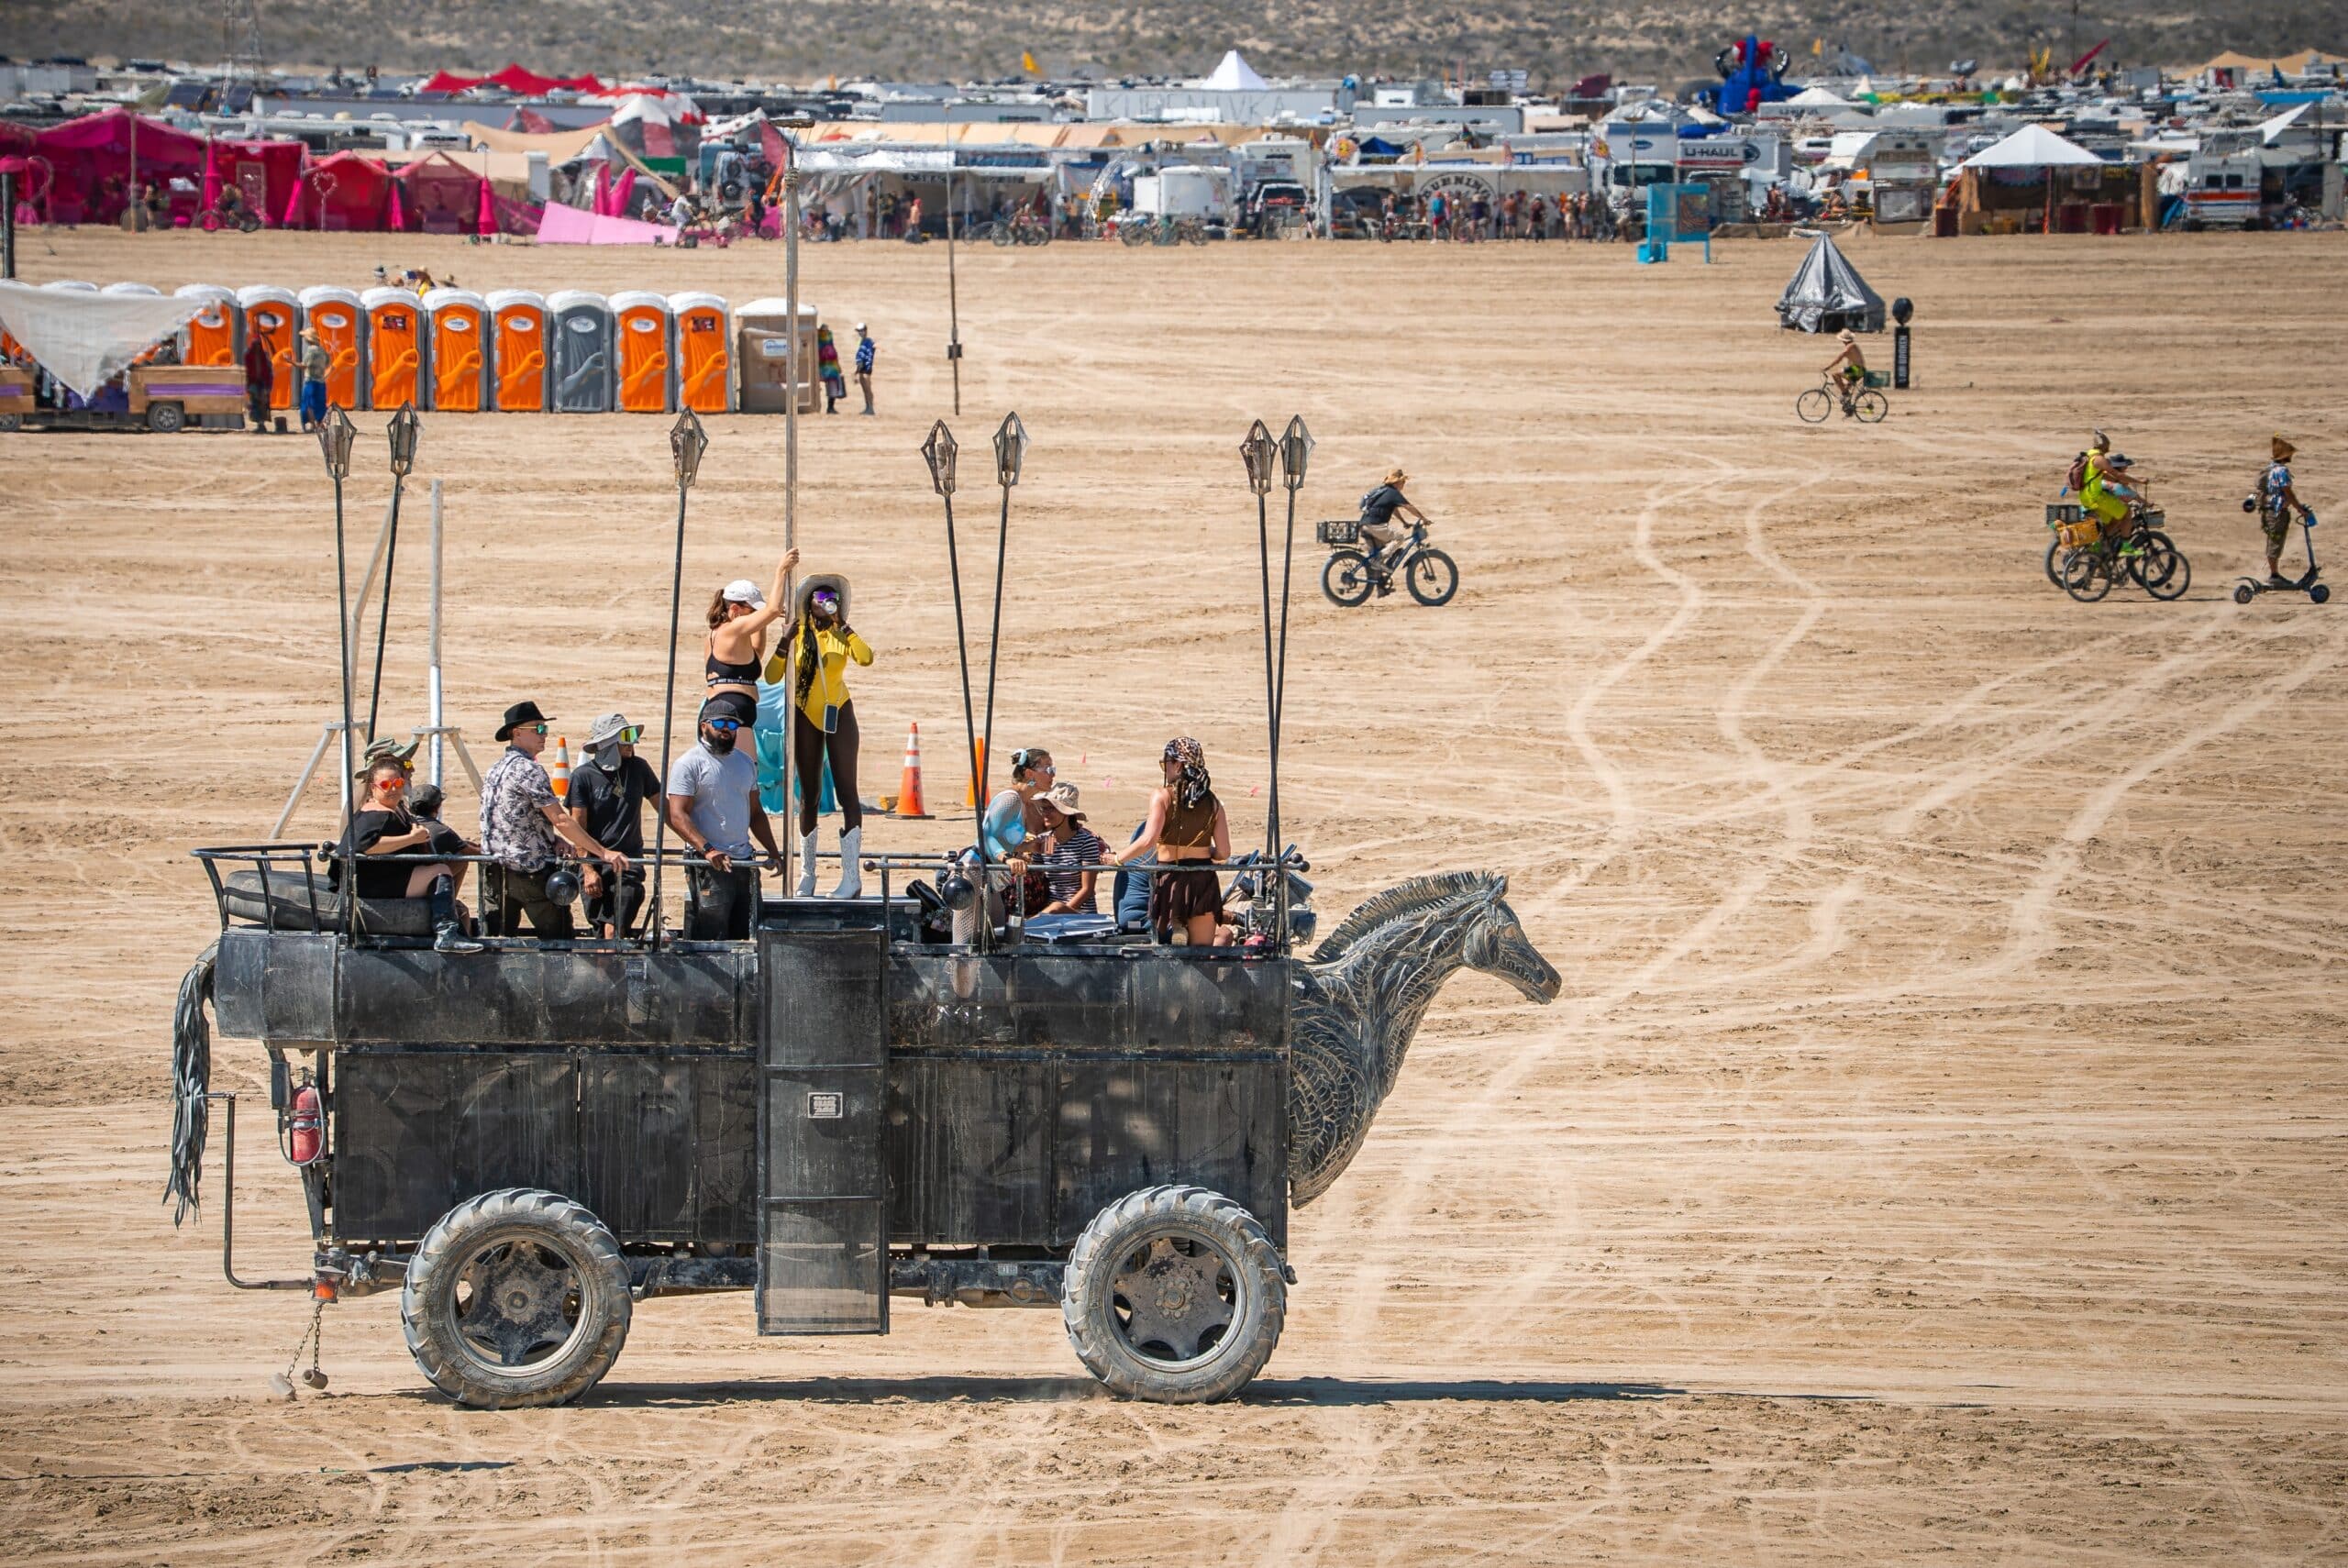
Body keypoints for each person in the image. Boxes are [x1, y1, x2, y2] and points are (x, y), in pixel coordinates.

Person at [479, 701, 627, 938]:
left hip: (494, 870)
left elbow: (515, 819)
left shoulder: (495, 769)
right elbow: (561, 819)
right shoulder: (528, 769)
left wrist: (551, 839)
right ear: (517, 733)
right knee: (559, 941)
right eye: (538, 729)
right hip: (528, 871)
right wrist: (603, 853)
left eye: (544, 729)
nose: (544, 735)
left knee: (497, 942)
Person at [779, 575, 874, 898]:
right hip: (806, 713)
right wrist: (783, 643)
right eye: (820, 597)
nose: (826, 601)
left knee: (848, 791)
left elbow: (865, 657)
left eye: (831, 597)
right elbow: (773, 674)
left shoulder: (839, 634)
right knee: (809, 794)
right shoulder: (799, 634)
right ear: (810, 603)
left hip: (838, 710)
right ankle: (808, 873)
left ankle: (851, 877)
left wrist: (844, 627)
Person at [665, 705, 785, 939]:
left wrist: (773, 851)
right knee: (712, 934)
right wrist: (707, 850)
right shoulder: (689, 763)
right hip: (709, 863)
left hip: (743, 860)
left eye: (732, 725)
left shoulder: (745, 762)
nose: (726, 730)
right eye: (720, 724)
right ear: (704, 726)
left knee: (748, 932)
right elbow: (678, 815)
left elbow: (756, 812)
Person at [339, 757, 481, 952]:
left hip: (388, 875)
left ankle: (455, 927)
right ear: (373, 787)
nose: (393, 789)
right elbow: (362, 846)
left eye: (397, 783)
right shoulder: (374, 814)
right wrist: (411, 839)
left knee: (440, 867)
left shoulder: (394, 808)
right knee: (440, 871)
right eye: (385, 785)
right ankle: (446, 933)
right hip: (371, 884)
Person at [1106, 737, 1232, 947]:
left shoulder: (1163, 796)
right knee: (1201, 952)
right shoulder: (1213, 803)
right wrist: (1205, 850)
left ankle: (1178, 925)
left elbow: (1148, 840)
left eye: (1166, 764)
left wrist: (1117, 859)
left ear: (1178, 764)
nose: (1165, 770)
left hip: (1171, 877)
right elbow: (1224, 852)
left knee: (1168, 951)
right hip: (1202, 879)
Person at [568, 712, 660, 938]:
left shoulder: (639, 768)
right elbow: (577, 828)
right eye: (625, 736)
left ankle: (608, 969)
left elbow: (665, 808)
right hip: (594, 862)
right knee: (601, 932)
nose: (632, 743)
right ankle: (604, 972)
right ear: (608, 742)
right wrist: (588, 870)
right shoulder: (583, 776)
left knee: (615, 929)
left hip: (628, 862)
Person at [703, 549, 799, 728]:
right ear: (734, 609)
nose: (755, 616)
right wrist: (781, 571)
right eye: (752, 611)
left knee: (746, 758)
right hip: (728, 712)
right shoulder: (732, 629)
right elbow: (773, 610)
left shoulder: (727, 634)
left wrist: (760, 621)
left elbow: (756, 652)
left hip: (733, 712)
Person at [1034, 783, 1107, 915]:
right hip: (1048, 913)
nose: (1045, 813)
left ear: (1066, 813)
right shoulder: (1045, 840)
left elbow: (1087, 889)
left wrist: (1060, 912)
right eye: (1044, 809)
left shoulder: (1086, 841)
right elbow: (1038, 879)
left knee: (1056, 906)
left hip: (1079, 913)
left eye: (1051, 809)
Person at [1357, 468, 1430, 592]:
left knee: (1379, 553)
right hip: (1374, 526)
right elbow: (1408, 506)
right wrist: (1423, 518)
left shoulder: (1383, 491)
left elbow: (1394, 509)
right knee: (1399, 538)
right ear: (1397, 482)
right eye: (1403, 482)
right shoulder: (1393, 493)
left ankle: (1381, 588)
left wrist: (1404, 522)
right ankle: (1379, 559)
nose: (1404, 484)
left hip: (1364, 525)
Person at [2258, 436, 2314, 585]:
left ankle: (2274, 573)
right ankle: (2274, 575)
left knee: (2274, 541)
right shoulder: (2281, 471)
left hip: (2271, 510)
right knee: (2276, 542)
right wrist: (2300, 508)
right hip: (2277, 511)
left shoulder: (2271, 469)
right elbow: (2287, 492)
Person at [297, 329, 331, 431]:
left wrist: (291, 362)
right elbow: (328, 363)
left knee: (308, 403)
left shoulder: (310, 351)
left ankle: (312, 425)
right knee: (320, 403)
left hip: (310, 381)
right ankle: (320, 424)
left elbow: (304, 365)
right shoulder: (322, 350)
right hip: (321, 381)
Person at [242, 327, 274, 434]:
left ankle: (261, 424)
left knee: (263, 404)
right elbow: (247, 370)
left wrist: (268, 386)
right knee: (255, 403)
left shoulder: (263, 357)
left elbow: (268, 372)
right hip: (254, 382)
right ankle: (259, 423)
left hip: (263, 383)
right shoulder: (249, 356)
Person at [1822, 329, 1867, 402]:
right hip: (1858, 369)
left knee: (1835, 374)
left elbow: (1838, 359)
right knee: (1845, 383)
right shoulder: (1853, 345)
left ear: (1844, 340)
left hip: (1857, 370)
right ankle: (1848, 406)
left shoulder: (1849, 347)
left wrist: (1828, 367)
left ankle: (1845, 394)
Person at [816, 325, 846, 414]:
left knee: (832, 387)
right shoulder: (821, 342)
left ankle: (830, 407)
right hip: (825, 367)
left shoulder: (821, 342)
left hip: (828, 367)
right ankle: (829, 408)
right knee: (831, 387)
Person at [853, 322, 876, 415]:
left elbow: (866, 356)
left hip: (866, 369)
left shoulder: (869, 342)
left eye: (861, 331)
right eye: (859, 331)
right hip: (861, 369)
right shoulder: (862, 342)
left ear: (865, 331)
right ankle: (867, 407)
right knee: (864, 389)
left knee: (868, 389)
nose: (860, 333)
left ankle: (870, 408)